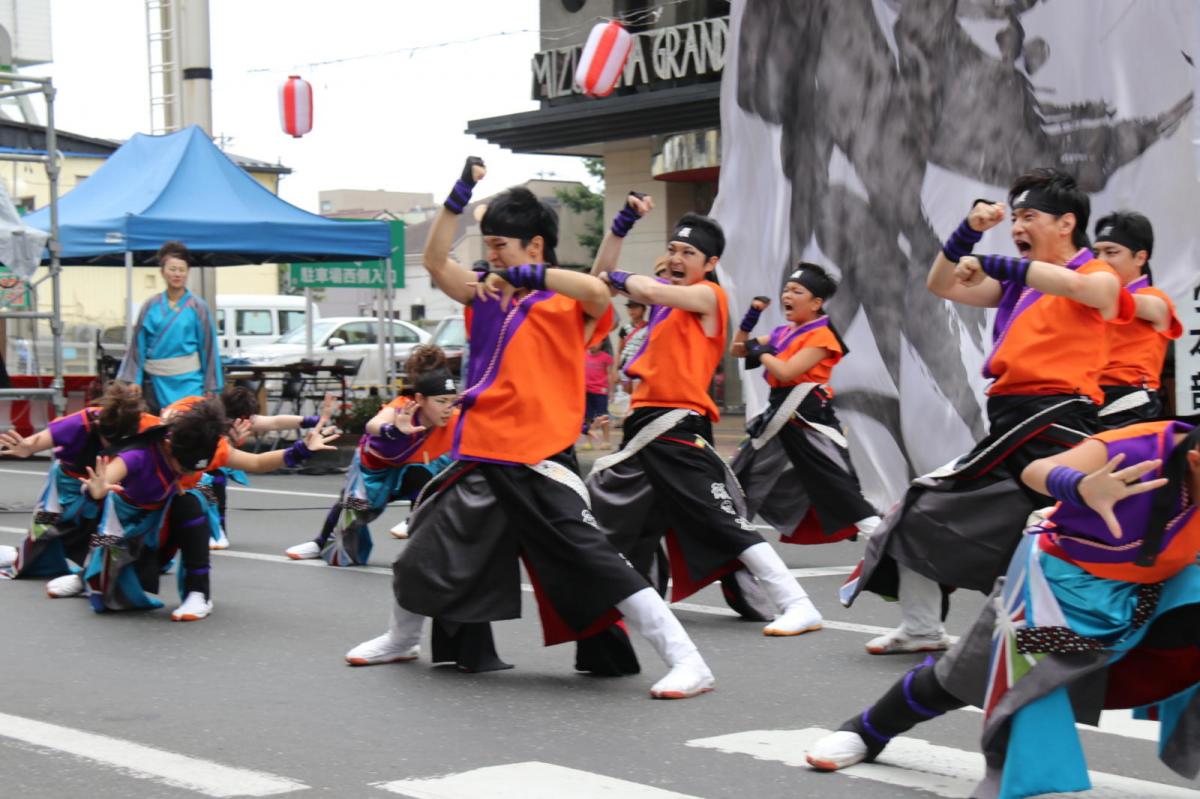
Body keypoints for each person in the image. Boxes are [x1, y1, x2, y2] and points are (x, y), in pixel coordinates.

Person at [344, 157, 715, 699]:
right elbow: (435, 260)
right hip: (481, 451)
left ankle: (688, 661)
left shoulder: (565, 302)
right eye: (489, 245)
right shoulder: (486, 294)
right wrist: (459, 193)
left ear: (535, 247)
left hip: (539, 457)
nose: (491, 256)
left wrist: (528, 275)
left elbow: (597, 292)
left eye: (501, 246)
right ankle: (403, 638)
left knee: (599, 564)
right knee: (423, 548)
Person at [807, 420, 1200, 799]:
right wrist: (1080, 486)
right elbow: (1036, 470)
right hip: (1062, 587)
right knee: (967, 676)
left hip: (1162, 588)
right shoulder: (1140, 446)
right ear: (1196, 461)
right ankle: (867, 730)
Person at [841, 168, 1135, 655]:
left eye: (1030, 216)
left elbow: (1099, 294)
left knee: (1070, 530)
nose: (1017, 226)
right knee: (917, 513)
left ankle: (1102, 633)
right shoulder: (1020, 283)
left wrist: (996, 263)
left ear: (1066, 224)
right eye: (1014, 217)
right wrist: (968, 233)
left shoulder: (1092, 273)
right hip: (1009, 423)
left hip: (1056, 423)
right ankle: (922, 628)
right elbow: (941, 283)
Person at [586, 191, 823, 636]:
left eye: (688, 253)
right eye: (673, 249)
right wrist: (621, 225)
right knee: (624, 518)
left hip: (675, 425)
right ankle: (628, 607)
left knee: (720, 520)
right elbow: (599, 279)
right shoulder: (665, 305)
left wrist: (618, 277)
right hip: (644, 426)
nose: (676, 259)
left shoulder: (708, 296)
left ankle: (797, 602)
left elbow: (643, 287)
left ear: (710, 263)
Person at [71, 398, 337, 621]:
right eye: (184, 467)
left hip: (164, 523)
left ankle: (197, 593)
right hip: (127, 523)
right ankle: (85, 576)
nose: (188, 473)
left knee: (190, 501)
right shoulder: (141, 454)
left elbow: (256, 462)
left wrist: (301, 450)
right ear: (169, 446)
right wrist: (96, 490)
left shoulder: (212, 446)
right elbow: (104, 481)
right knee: (108, 597)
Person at [729, 264, 881, 548]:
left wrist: (761, 351)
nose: (787, 295)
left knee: (837, 484)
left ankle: (887, 540)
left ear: (816, 303)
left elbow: (787, 372)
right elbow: (737, 349)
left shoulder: (823, 336)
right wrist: (751, 318)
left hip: (808, 418)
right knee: (741, 476)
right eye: (786, 290)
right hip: (778, 416)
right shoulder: (782, 333)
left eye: (797, 291)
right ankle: (730, 542)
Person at [285, 346, 458, 565]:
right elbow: (372, 425)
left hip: (407, 474)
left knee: (429, 478)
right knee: (351, 505)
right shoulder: (401, 407)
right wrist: (394, 430)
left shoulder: (455, 417)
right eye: (441, 401)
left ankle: (416, 526)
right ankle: (320, 543)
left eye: (451, 401)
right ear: (420, 399)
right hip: (372, 474)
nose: (448, 408)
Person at [0, 382, 155, 583]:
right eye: (108, 440)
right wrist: (25, 448)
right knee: (43, 536)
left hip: (113, 490)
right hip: (67, 487)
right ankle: (25, 556)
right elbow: (32, 444)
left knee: (119, 537)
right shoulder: (79, 422)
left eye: (121, 442)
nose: (113, 447)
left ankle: (99, 570)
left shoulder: (147, 425)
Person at [1091, 212, 1183, 428]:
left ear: (1140, 257)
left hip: (1129, 403)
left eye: (1111, 252)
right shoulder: (1092, 300)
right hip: (1086, 399)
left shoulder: (1155, 300)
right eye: (1096, 253)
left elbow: (1135, 304)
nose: (1101, 260)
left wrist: (1080, 288)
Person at [117, 241, 222, 414]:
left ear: (188, 272)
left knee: (190, 423)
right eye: (172, 269)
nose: (177, 274)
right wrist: (135, 379)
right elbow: (138, 346)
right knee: (157, 426)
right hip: (155, 382)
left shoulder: (198, 307)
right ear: (162, 272)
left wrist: (211, 385)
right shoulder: (149, 306)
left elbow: (209, 348)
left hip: (191, 382)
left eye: (182, 269)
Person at [581, 337, 615, 450]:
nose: (593, 344)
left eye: (596, 342)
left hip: (601, 391)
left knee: (603, 416)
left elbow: (609, 374)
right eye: (591, 341)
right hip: (586, 391)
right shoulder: (583, 355)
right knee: (587, 417)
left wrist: (611, 391)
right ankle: (588, 442)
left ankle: (606, 441)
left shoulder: (606, 358)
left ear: (602, 343)